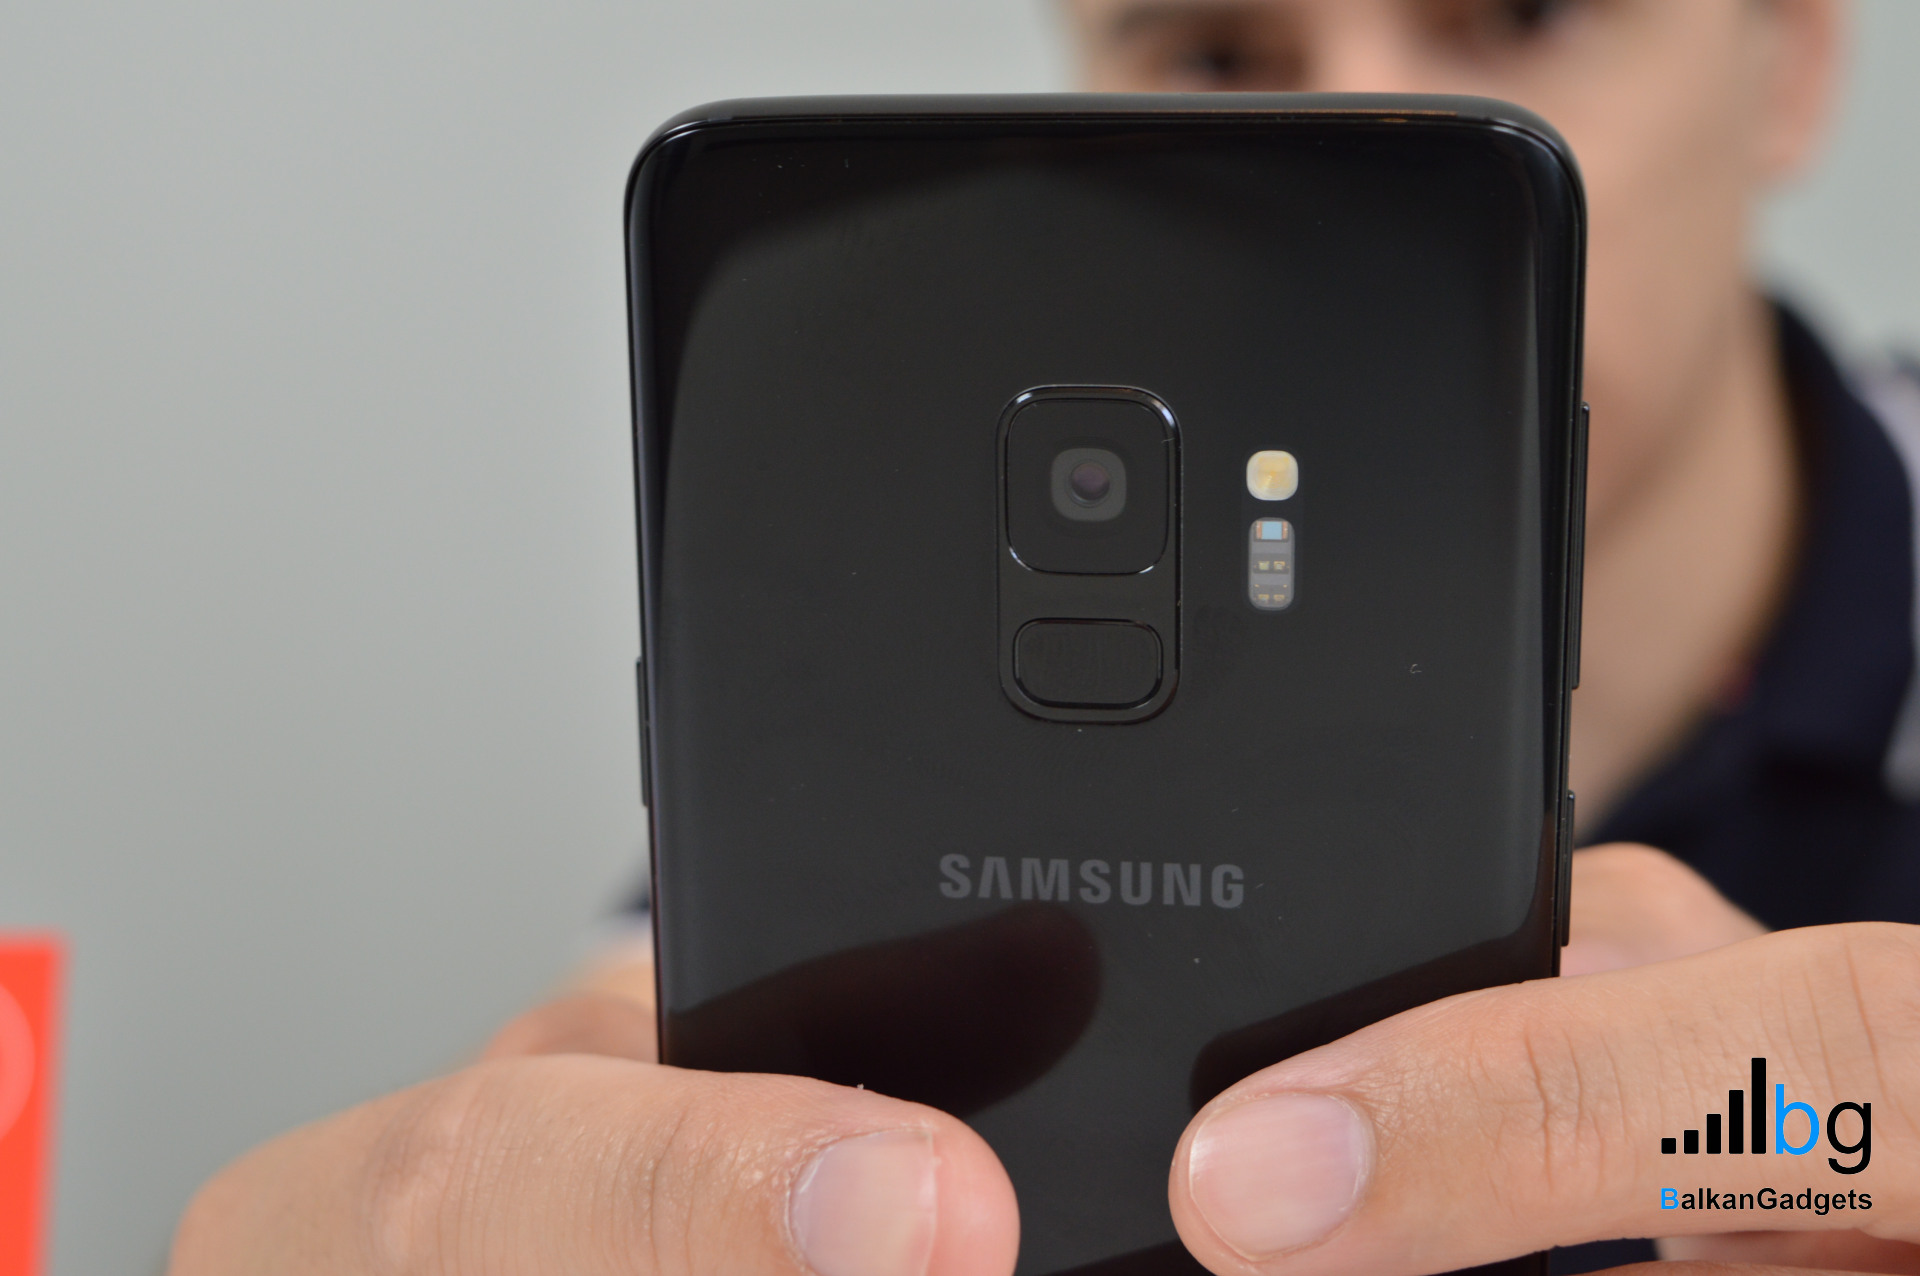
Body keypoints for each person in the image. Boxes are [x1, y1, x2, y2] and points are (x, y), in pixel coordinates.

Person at [169, 2, 1920, 1274]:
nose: (1349, 147)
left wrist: (1806, 1137)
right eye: (1217, 54)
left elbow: (1806, 1145)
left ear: (1793, 62)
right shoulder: (859, 778)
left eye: (1522, 13)